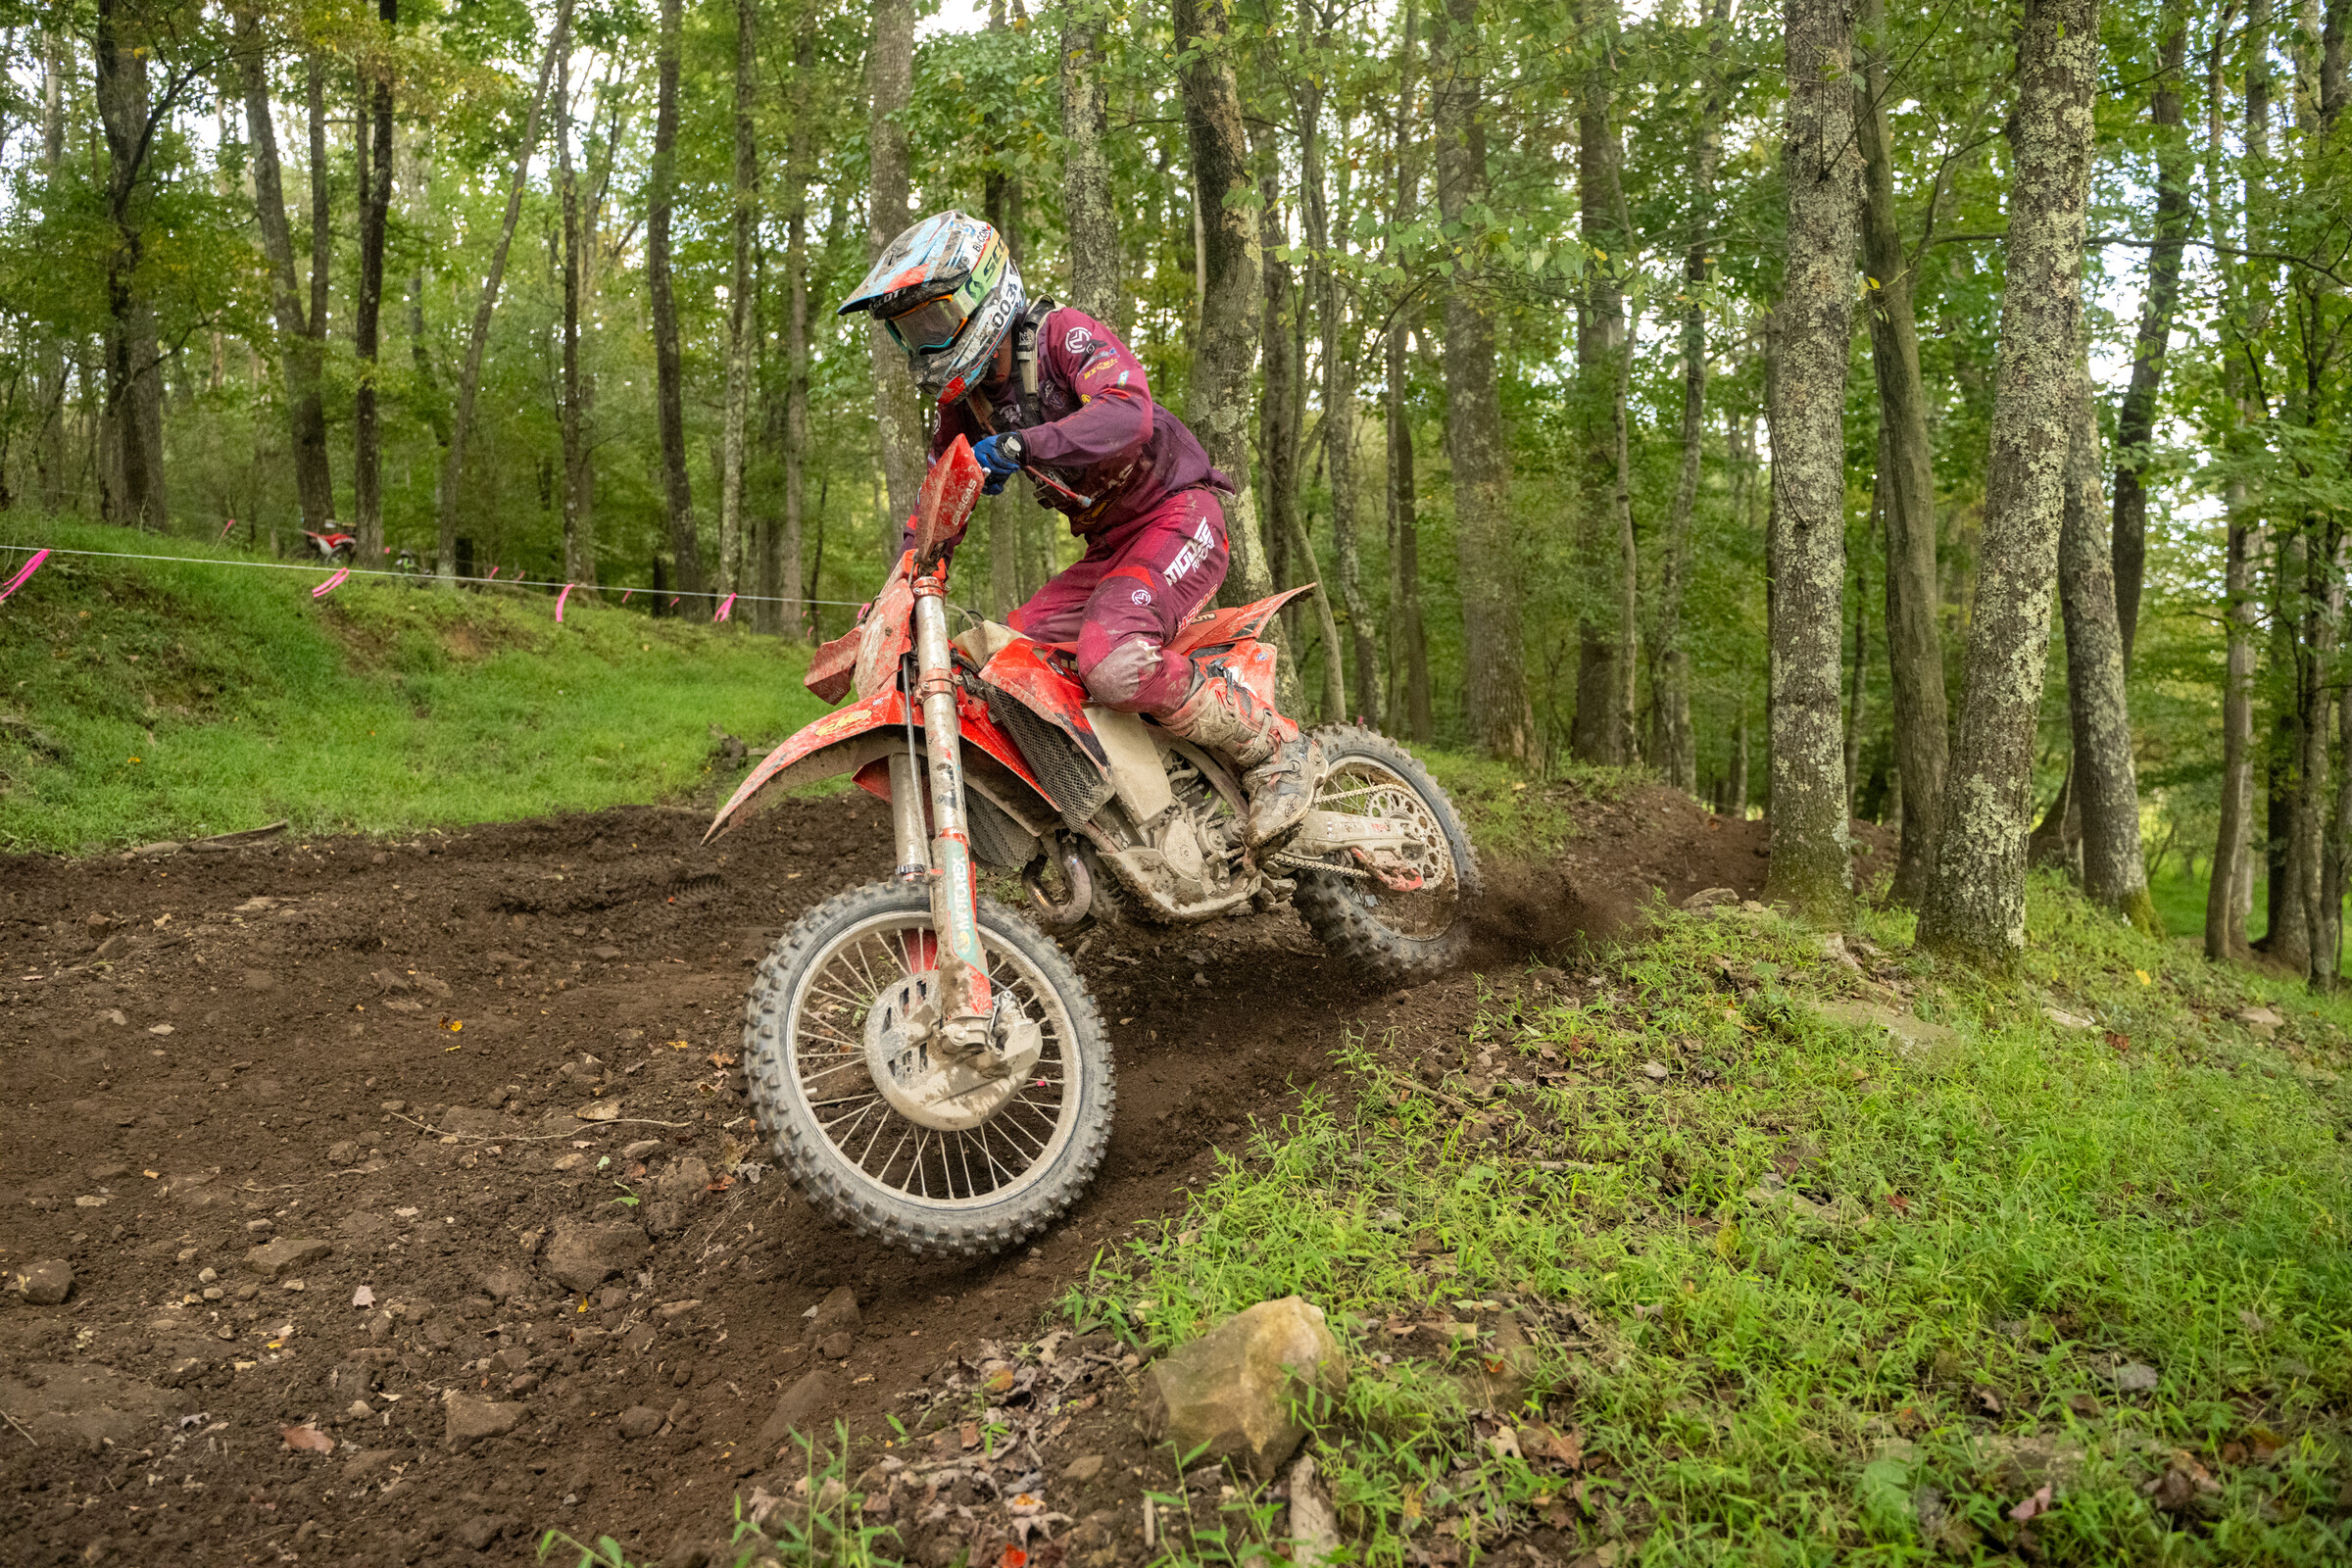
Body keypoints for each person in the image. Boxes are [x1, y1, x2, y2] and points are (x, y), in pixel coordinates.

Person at [838, 211, 1321, 850]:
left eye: (933, 322)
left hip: (1178, 516)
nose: (924, 343)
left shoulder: (1061, 337)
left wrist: (1025, 444)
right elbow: (934, 507)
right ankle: (1124, 812)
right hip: (1111, 548)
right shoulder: (964, 408)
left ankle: (1277, 749)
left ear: (981, 292)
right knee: (1003, 665)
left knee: (1111, 661)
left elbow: (1129, 416)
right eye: (909, 331)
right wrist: (899, 589)